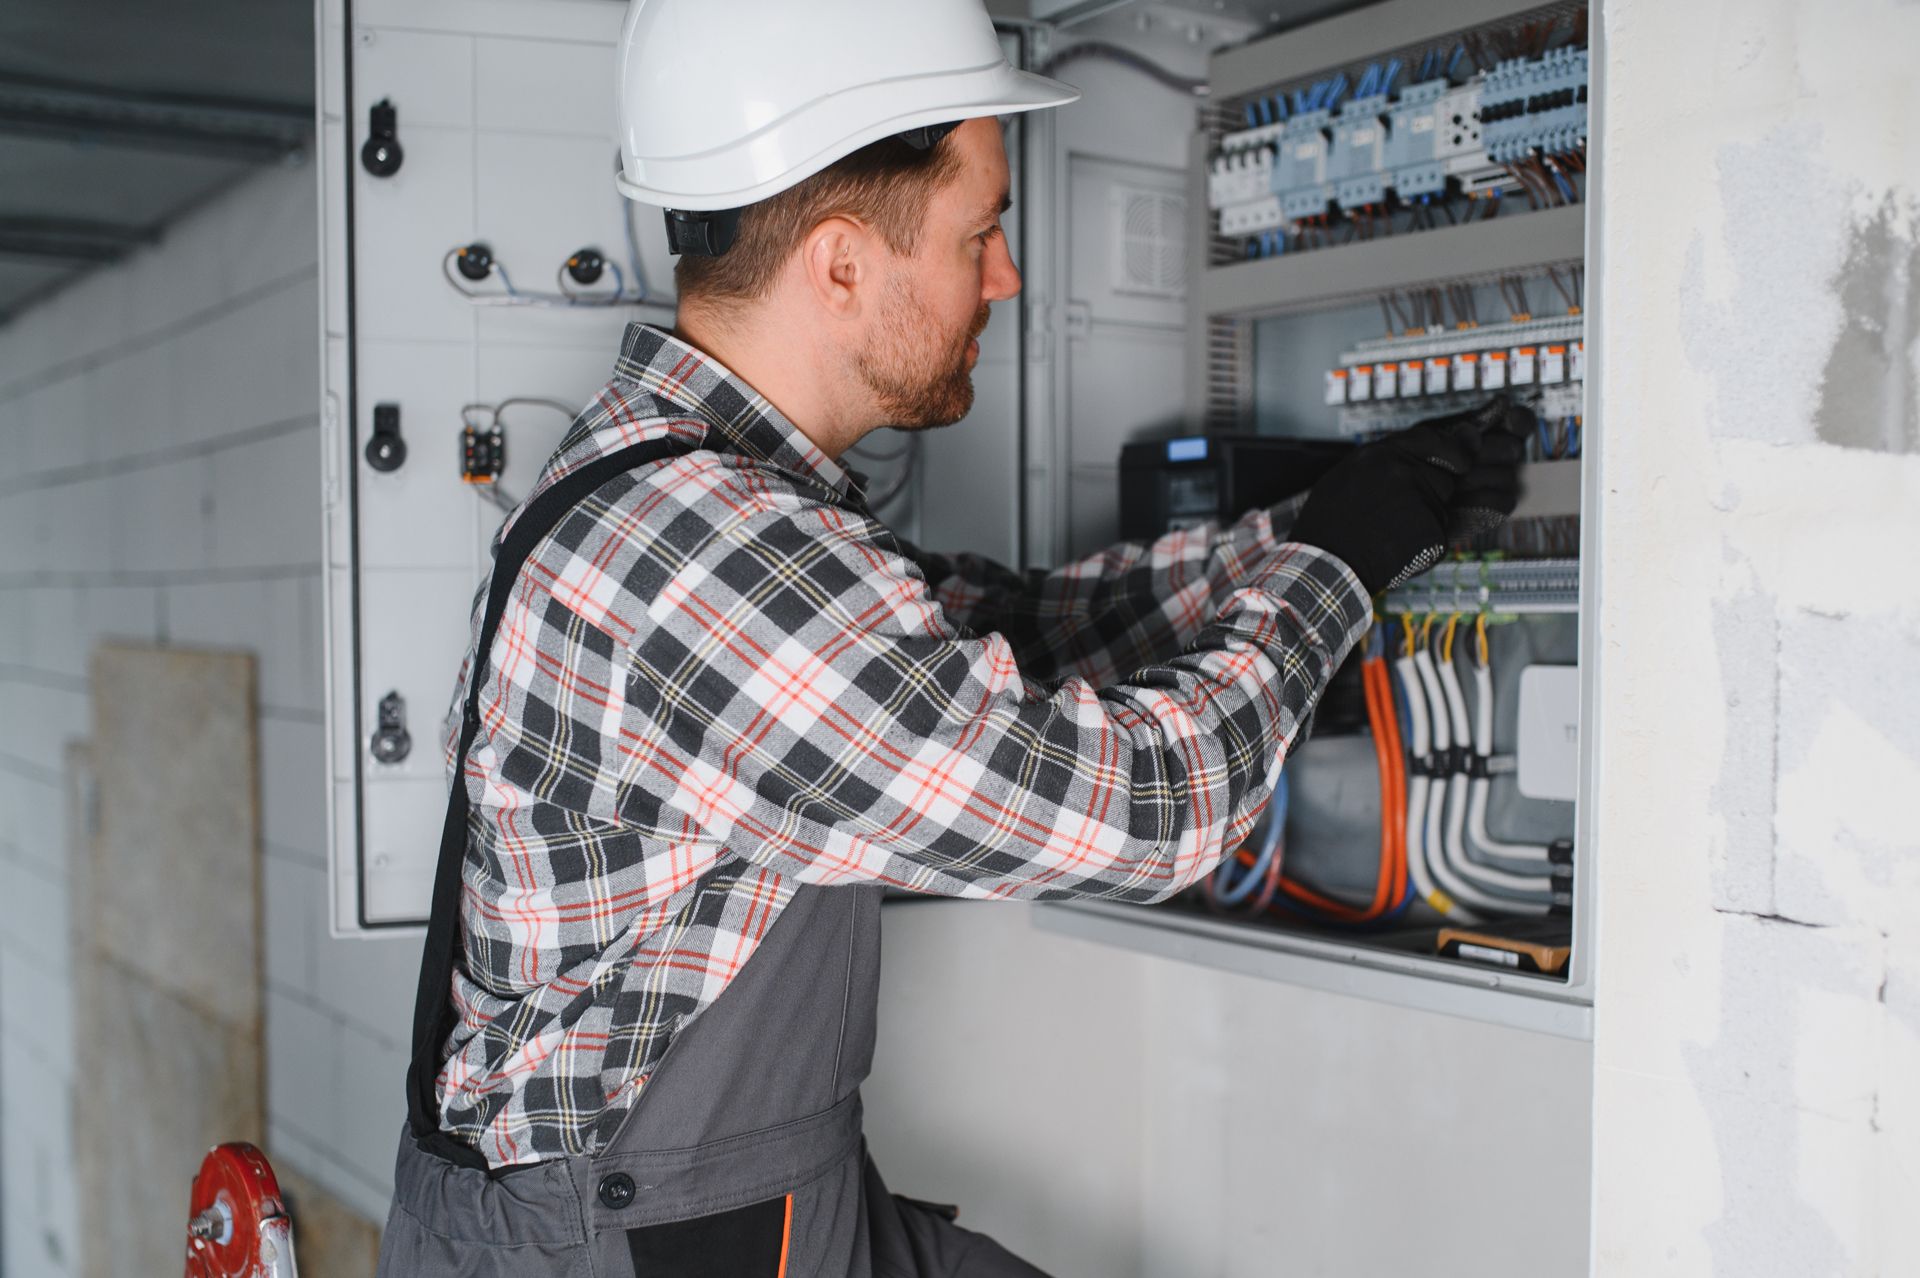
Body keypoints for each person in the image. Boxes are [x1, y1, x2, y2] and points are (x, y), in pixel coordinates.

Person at [375, 0, 1527, 1273]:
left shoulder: (689, 488)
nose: (1006, 276)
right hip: (649, 1238)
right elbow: (1155, 813)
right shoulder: (708, 558)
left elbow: (1016, 638)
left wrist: (1313, 524)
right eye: (980, 232)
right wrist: (1337, 570)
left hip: (739, 1199)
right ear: (841, 263)